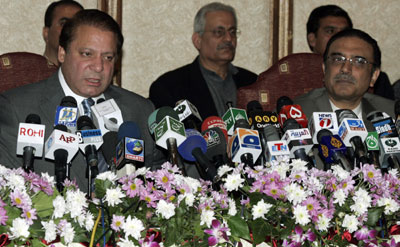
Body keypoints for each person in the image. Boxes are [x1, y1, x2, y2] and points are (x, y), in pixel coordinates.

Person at [0, 9, 165, 192]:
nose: (98, 66)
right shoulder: (16, 109)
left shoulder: (140, 110)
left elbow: (159, 183)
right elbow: (8, 192)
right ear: (62, 53)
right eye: (87, 54)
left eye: (108, 57)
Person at [149, 2, 257, 119]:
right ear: (198, 40)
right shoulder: (169, 87)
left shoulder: (253, 82)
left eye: (232, 32)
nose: (228, 38)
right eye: (219, 32)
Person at [295, 28, 395, 130]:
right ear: (325, 69)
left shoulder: (392, 115)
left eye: (358, 61)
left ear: (374, 75)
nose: (345, 69)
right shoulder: (296, 115)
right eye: (338, 59)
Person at [306, 5, 394, 100]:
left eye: (345, 31)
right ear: (312, 39)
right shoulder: (295, 75)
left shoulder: (377, 79)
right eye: (330, 31)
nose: (339, 36)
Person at [43, 0, 83, 66]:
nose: (71, 29)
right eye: (64, 24)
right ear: (46, 33)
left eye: (77, 25)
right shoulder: (31, 72)